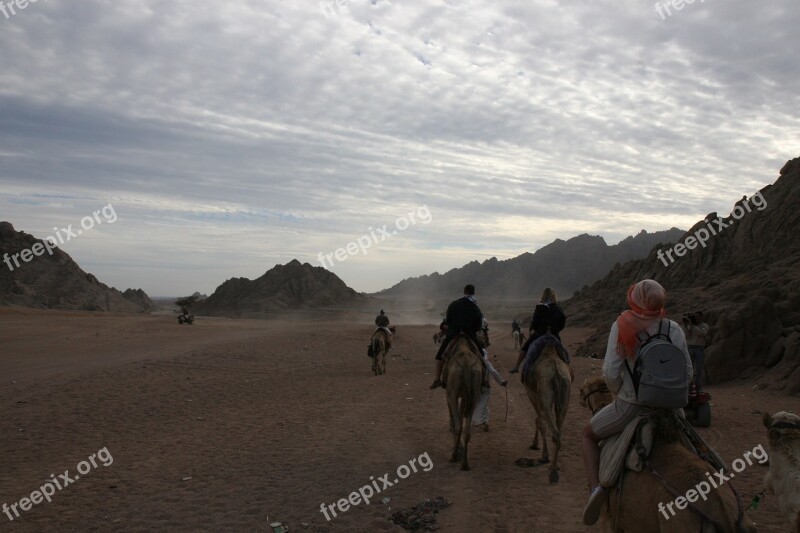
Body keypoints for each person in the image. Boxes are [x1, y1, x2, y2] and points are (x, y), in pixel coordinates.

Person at [580, 279, 692, 526]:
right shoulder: (673, 328)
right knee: (698, 450)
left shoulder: (622, 326)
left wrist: (622, 394)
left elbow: (610, 372)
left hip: (631, 406)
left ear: (635, 300)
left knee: (588, 435)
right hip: (673, 408)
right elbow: (688, 372)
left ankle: (596, 490)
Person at [429, 284, 484, 389]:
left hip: (453, 334)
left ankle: (437, 379)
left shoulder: (454, 304)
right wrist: (470, 330)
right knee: (482, 356)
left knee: (439, 356)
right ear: (473, 293)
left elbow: (448, 321)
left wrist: (455, 329)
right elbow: (478, 325)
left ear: (464, 291)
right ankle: (484, 380)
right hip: (470, 335)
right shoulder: (475, 307)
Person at [510, 287, 566, 373]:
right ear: (553, 296)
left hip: (540, 334)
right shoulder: (558, 308)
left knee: (525, 347)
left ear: (543, 295)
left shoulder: (539, 307)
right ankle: (568, 369)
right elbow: (562, 323)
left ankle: (517, 366)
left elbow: (535, 322)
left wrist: (537, 329)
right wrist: (556, 329)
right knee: (563, 354)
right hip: (554, 335)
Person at [473, 346, 508, 432]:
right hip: (485, 387)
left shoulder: (473, 364)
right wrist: (502, 382)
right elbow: (494, 372)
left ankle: (481, 421)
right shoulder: (487, 364)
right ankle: (482, 421)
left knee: (478, 403)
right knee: (483, 403)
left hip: (474, 387)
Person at [682, 311, 709, 391]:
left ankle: (698, 386)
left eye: (698, 316)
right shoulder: (691, 325)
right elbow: (687, 335)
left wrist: (694, 325)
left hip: (699, 348)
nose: (696, 318)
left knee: (699, 368)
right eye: (695, 316)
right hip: (690, 347)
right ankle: (690, 386)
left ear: (701, 317)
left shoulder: (704, 326)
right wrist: (687, 324)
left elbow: (703, 334)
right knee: (689, 369)